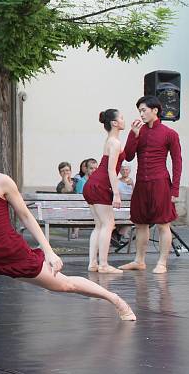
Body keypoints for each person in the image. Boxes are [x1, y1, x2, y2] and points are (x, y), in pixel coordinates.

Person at [0, 131, 136, 321]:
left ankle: (115, 299)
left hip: (10, 253)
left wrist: (49, 251)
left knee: (64, 285)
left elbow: (26, 217)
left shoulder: (1, 181)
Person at [119, 96, 182, 274]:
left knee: (163, 224)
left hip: (160, 182)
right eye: (139, 110)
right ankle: (139, 260)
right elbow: (129, 156)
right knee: (140, 223)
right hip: (141, 183)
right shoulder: (138, 131)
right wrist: (134, 134)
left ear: (155, 110)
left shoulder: (169, 133)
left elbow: (177, 162)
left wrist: (174, 189)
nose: (141, 114)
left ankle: (162, 262)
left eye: (144, 110)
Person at [82, 109, 126, 274]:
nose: (123, 119)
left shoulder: (110, 140)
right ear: (114, 123)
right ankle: (104, 264)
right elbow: (111, 170)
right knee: (109, 224)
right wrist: (116, 193)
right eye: (121, 117)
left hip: (92, 185)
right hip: (100, 185)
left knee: (99, 225)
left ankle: (93, 263)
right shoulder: (114, 143)